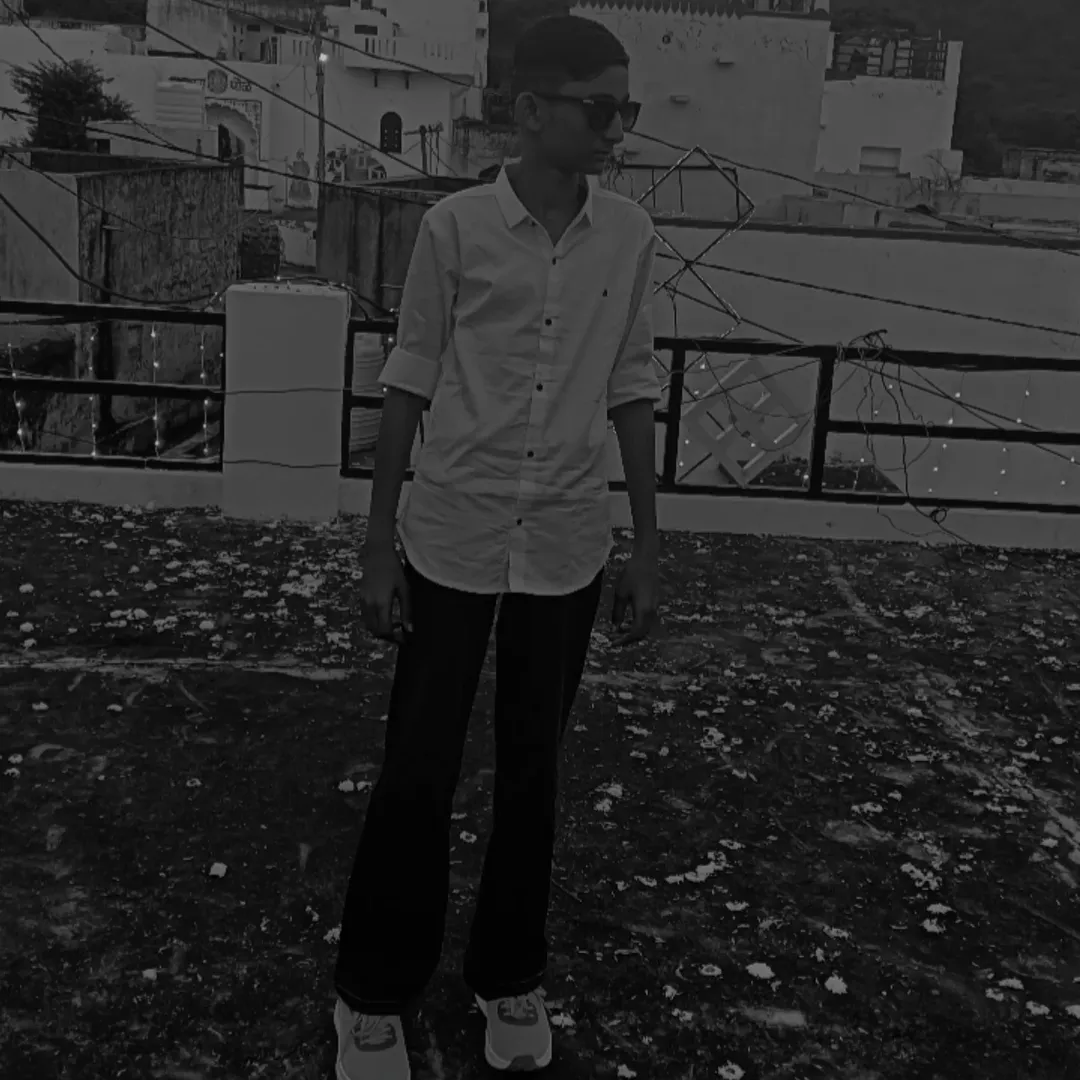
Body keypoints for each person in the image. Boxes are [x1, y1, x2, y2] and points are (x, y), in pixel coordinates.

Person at [333, 14, 662, 1079]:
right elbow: (409, 378)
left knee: (533, 776)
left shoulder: (630, 236)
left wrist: (646, 545)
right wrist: (378, 544)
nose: (617, 128)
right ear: (529, 110)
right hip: (454, 533)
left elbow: (631, 387)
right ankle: (372, 992)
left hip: (565, 541)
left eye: (626, 108)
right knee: (418, 770)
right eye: (600, 108)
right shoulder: (456, 227)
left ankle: (508, 973)